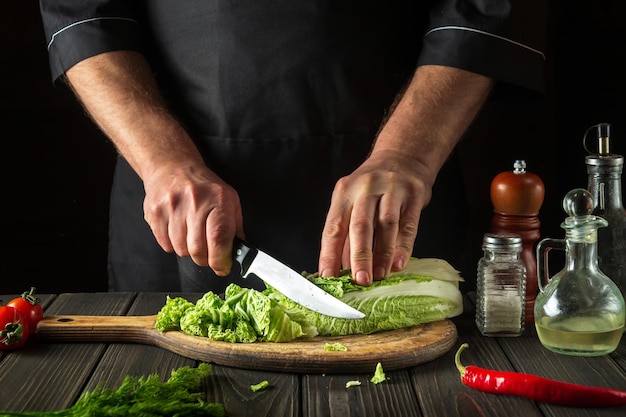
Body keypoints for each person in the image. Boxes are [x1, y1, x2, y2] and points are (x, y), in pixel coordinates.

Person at [39, 1, 547, 293]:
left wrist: (407, 155)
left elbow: (483, 9)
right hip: (176, 201)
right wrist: (164, 161)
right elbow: (85, 10)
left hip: (393, 196)